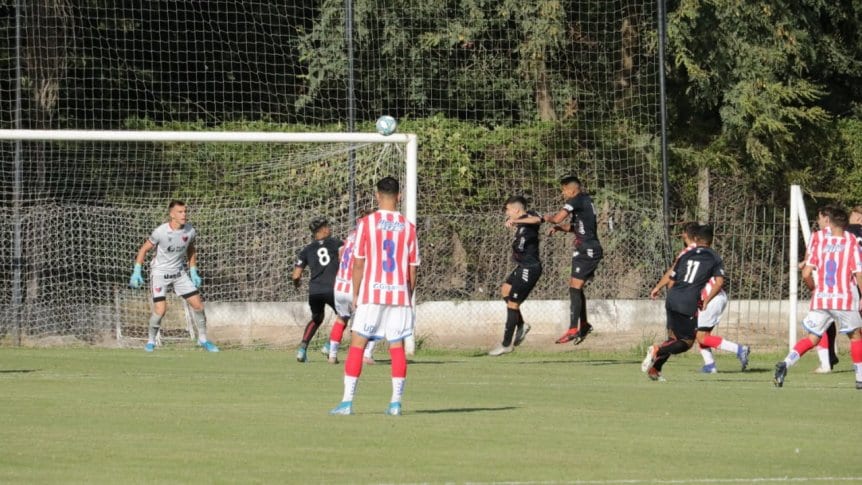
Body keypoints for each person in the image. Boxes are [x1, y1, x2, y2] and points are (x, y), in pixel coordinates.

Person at [330, 176, 420, 416]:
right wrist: (407, 295)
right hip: (399, 295)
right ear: (399, 197)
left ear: (377, 196)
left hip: (372, 292)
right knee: (397, 346)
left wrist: (356, 292)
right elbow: (413, 268)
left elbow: (358, 262)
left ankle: (347, 402)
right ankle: (395, 403)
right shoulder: (409, 228)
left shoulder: (367, 224)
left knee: (358, 344)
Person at [774, 205, 862, 389]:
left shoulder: (820, 243)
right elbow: (858, 272)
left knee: (813, 337)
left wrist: (815, 289)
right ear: (845, 224)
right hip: (843, 298)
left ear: (830, 222)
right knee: (855, 336)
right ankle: (860, 378)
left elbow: (806, 272)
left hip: (822, 298)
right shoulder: (851, 241)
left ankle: (786, 363)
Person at [129, 200, 219, 352]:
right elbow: (144, 249)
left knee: (198, 305)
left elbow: (191, 249)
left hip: (179, 273)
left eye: (185, 211)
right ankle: (151, 341)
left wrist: (193, 271)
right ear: (172, 214)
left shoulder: (190, 231)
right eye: (180, 212)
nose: (184, 215)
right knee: (160, 310)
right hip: (159, 273)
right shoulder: (160, 232)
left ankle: (203, 339)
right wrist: (137, 271)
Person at [641, 224, 726, 381]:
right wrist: (706, 300)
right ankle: (656, 350)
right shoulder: (714, 257)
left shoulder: (685, 254)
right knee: (686, 342)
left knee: (672, 339)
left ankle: (655, 369)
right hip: (688, 302)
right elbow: (719, 282)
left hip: (672, 298)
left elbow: (672, 280)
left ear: (696, 239)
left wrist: (660, 288)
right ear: (711, 241)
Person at [541, 175, 603, 345]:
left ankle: (572, 329)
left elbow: (557, 217)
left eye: (564, 189)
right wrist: (560, 229)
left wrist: (543, 217)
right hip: (584, 249)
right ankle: (583, 324)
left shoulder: (576, 200)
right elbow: (576, 227)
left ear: (573, 188)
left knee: (574, 288)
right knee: (576, 288)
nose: (563, 193)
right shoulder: (584, 201)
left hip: (588, 250)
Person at [488, 196, 542, 356]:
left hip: (530, 269)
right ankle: (521, 325)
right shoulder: (520, 222)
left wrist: (518, 221)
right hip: (522, 266)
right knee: (505, 290)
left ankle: (506, 344)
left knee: (513, 304)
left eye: (508, 210)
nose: (507, 213)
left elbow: (537, 220)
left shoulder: (530, 217)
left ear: (516, 210)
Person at [325, 209, 377, 364]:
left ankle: (333, 355)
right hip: (354, 286)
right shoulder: (368, 238)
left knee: (341, 319)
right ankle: (366, 354)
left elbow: (341, 256)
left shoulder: (350, 237)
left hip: (340, 285)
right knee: (370, 321)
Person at [292, 216, 342, 363]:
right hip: (332, 289)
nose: (330, 229)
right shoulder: (336, 243)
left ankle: (302, 350)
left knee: (316, 318)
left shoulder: (307, 249)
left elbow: (296, 275)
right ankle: (328, 346)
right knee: (345, 316)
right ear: (323, 229)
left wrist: (297, 285)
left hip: (315, 291)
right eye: (327, 226)